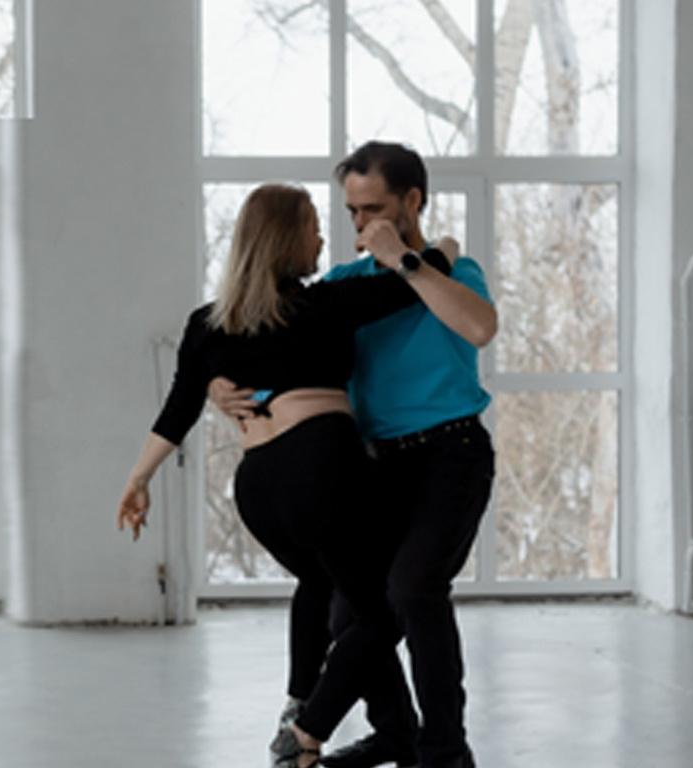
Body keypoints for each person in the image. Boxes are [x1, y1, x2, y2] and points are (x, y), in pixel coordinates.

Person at [117, 183, 454, 768]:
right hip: (320, 466)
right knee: (385, 611)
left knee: (324, 587)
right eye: (313, 228)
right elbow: (419, 279)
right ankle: (306, 728)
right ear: (285, 239)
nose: (321, 239)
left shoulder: (207, 323)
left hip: (258, 487)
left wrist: (138, 480)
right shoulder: (323, 304)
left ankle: (349, 716)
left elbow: (177, 411)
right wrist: (443, 246)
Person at [211, 142, 497, 768]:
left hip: (450, 455)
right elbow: (282, 354)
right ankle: (396, 734)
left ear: (412, 202)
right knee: (351, 610)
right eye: (351, 212)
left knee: (415, 590)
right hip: (375, 464)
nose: (361, 224)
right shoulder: (342, 285)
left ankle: (445, 753)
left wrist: (408, 263)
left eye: (374, 209)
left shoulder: (453, 270)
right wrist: (220, 387)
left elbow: (479, 328)